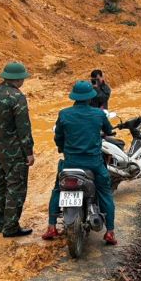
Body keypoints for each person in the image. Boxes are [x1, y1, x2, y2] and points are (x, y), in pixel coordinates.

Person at [43, 81, 117, 245]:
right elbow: (109, 130)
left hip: (70, 163)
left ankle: (51, 226)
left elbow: (58, 137)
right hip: (94, 164)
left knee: (57, 190)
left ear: (74, 97)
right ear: (91, 97)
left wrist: (62, 148)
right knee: (105, 191)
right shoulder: (99, 114)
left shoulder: (64, 114)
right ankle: (110, 231)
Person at [0, 62, 34, 237]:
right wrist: (29, 152)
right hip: (14, 152)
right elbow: (23, 128)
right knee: (16, 187)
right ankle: (11, 227)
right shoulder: (17, 97)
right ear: (18, 79)